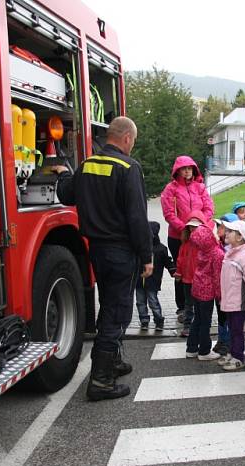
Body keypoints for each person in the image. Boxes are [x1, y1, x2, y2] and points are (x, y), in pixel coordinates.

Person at [57, 116, 151, 401]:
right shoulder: (128, 167)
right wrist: (147, 256)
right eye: (132, 141)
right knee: (118, 313)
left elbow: (66, 194)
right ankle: (101, 381)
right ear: (126, 138)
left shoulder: (86, 165)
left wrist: (63, 173)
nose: (132, 146)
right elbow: (137, 218)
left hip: (96, 250)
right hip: (122, 252)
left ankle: (112, 362)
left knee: (109, 305)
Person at [161, 156, 214, 323]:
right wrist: (185, 228)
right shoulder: (171, 189)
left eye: (190, 168)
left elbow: (209, 208)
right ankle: (182, 307)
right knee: (181, 270)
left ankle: (197, 304)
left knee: (198, 270)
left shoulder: (200, 187)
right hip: (178, 237)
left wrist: (198, 226)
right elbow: (169, 213)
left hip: (199, 235)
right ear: (177, 171)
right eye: (184, 169)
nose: (187, 171)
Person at [217, 220, 245, 371]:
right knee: (231, 328)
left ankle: (238, 357)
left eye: (230, 231)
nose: (226, 233)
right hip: (229, 300)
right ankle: (231, 352)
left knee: (236, 330)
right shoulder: (231, 252)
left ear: (240, 237)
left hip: (238, 302)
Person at [186, 216, 224, 360]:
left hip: (197, 289)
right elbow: (217, 277)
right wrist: (220, 296)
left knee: (197, 319)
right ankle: (204, 351)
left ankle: (191, 348)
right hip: (207, 293)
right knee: (205, 322)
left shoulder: (202, 250)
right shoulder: (217, 253)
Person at [137, 221, 176, 330]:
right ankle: (144, 320)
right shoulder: (139, 248)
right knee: (140, 302)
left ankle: (158, 320)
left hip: (153, 280)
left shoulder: (161, 249)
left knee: (152, 301)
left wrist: (173, 270)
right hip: (139, 280)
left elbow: (167, 261)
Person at [175, 212, 206, 338]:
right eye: (191, 226)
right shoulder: (185, 244)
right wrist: (178, 272)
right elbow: (180, 259)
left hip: (200, 279)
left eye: (196, 226)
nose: (193, 229)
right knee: (189, 303)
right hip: (187, 279)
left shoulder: (204, 243)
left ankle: (200, 325)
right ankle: (187, 326)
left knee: (200, 304)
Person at [213, 213, 239, 356]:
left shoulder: (234, 249)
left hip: (230, 290)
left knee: (229, 318)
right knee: (221, 315)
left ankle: (228, 342)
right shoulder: (220, 244)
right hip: (220, 288)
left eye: (222, 227)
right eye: (217, 226)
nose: (218, 229)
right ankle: (222, 339)